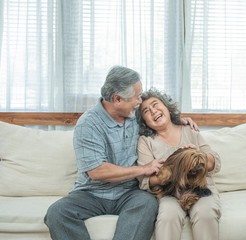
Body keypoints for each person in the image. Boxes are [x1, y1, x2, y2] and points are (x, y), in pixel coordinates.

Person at [44, 66, 198, 240]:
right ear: (117, 99)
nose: (140, 101)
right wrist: (142, 170)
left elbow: (158, 118)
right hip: (91, 193)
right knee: (57, 213)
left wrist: (178, 122)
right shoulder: (88, 124)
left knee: (147, 203)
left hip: (129, 192)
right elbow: (97, 172)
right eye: (136, 97)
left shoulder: (134, 114)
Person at [136, 88, 222, 240]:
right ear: (144, 122)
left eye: (156, 104)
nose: (153, 111)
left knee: (205, 214)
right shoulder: (146, 142)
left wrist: (197, 156)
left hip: (201, 188)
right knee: (167, 217)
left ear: (167, 107)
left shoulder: (190, 130)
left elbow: (214, 163)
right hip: (169, 193)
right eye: (146, 111)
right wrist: (175, 171)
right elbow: (146, 181)